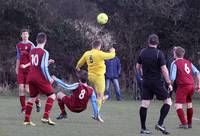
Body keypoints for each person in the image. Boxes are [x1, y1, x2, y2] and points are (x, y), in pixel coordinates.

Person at [136, 34, 173, 135]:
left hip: (146, 82)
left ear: (148, 42)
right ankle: (160, 123)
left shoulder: (142, 52)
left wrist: (141, 74)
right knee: (168, 102)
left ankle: (143, 128)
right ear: (157, 43)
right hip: (156, 82)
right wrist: (169, 83)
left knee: (144, 104)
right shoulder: (158, 53)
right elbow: (164, 70)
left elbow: (138, 66)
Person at [23, 32, 56, 126]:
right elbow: (42, 67)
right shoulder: (45, 52)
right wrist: (49, 78)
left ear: (36, 40)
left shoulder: (32, 51)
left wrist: (47, 62)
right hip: (39, 78)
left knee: (32, 98)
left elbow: (35, 64)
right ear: (45, 41)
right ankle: (45, 117)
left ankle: (27, 120)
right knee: (52, 96)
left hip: (31, 77)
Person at [76, 40, 115, 113]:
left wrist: (78, 67)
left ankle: (102, 98)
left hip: (90, 76)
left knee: (99, 95)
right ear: (99, 46)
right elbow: (111, 56)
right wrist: (113, 51)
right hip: (99, 77)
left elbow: (80, 62)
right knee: (99, 95)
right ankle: (96, 113)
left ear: (92, 46)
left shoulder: (87, 53)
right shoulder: (100, 53)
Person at [170, 46, 200, 129]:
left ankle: (184, 123)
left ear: (175, 54)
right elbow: (197, 72)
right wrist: (198, 85)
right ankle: (189, 123)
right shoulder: (189, 62)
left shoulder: (175, 63)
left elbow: (172, 78)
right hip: (191, 86)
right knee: (189, 104)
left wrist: (170, 85)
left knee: (178, 105)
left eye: (174, 51)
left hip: (183, 86)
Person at [16, 29, 41, 113]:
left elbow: (33, 59)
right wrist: (17, 67)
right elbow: (18, 57)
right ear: (21, 36)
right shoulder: (18, 45)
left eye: (26, 34)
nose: (25, 35)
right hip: (21, 69)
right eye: (23, 34)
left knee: (27, 89)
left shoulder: (31, 45)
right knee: (20, 89)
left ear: (28, 36)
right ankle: (23, 108)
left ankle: (37, 101)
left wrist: (25, 65)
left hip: (29, 69)